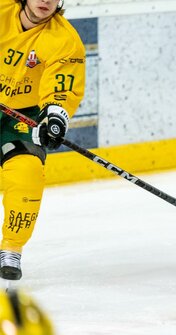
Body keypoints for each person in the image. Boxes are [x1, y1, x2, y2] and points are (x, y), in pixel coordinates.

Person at [0, 0, 85, 280]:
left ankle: (11, 247)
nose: (45, 0)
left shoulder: (64, 40)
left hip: (22, 117)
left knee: (27, 174)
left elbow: (62, 88)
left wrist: (55, 119)